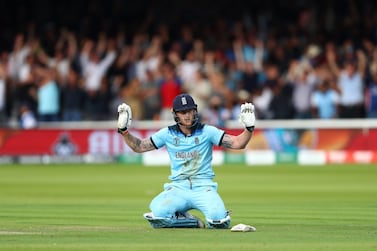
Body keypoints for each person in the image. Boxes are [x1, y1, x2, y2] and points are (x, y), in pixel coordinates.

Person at [117, 93, 256, 229]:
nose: (188, 115)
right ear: (176, 114)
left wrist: (249, 129)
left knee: (219, 221)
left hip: (204, 187)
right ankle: (192, 222)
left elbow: (238, 143)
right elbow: (140, 146)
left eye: (190, 111)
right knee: (158, 215)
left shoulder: (207, 131)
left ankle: (201, 217)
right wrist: (124, 131)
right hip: (178, 188)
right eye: (183, 112)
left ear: (195, 111)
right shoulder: (167, 133)